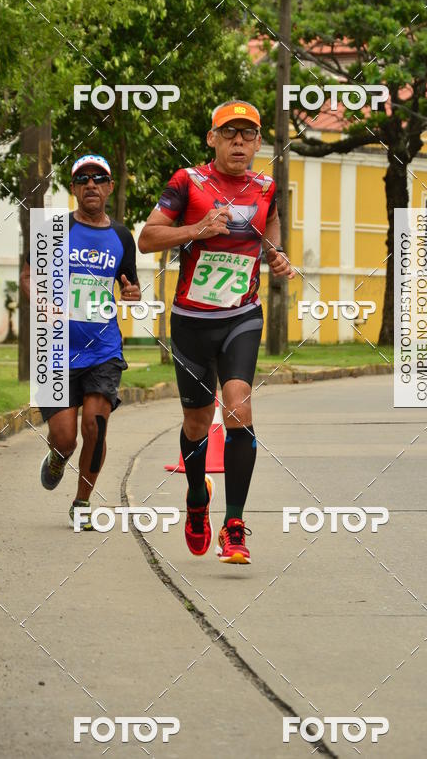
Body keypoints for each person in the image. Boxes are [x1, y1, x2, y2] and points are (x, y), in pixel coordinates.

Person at [138, 100, 295, 563]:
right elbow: (147, 239)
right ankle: (196, 497)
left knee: (240, 408)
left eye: (248, 135)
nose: (239, 143)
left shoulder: (266, 187)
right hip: (191, 321)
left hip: (241, 316)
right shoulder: (188, 182)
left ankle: (235, 525)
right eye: (230, 134)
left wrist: (277, 256)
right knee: (196, 423)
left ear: (259, 142)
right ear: (212, 139)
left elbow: (271, 231)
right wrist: (196, 230)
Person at [20, 155, 140, 529]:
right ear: (73, 189)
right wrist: (40, 299)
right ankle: (58, 456)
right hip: (54, 347)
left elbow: (128, 282)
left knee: (95, 426)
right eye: (82, 178)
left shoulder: (121, 236)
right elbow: (26, 275)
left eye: (99, 178)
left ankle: (82, 503)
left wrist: (132, 292)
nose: (90, 184)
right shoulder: (55, 230)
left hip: (103, 348)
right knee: (65, 437)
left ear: (108, 187)